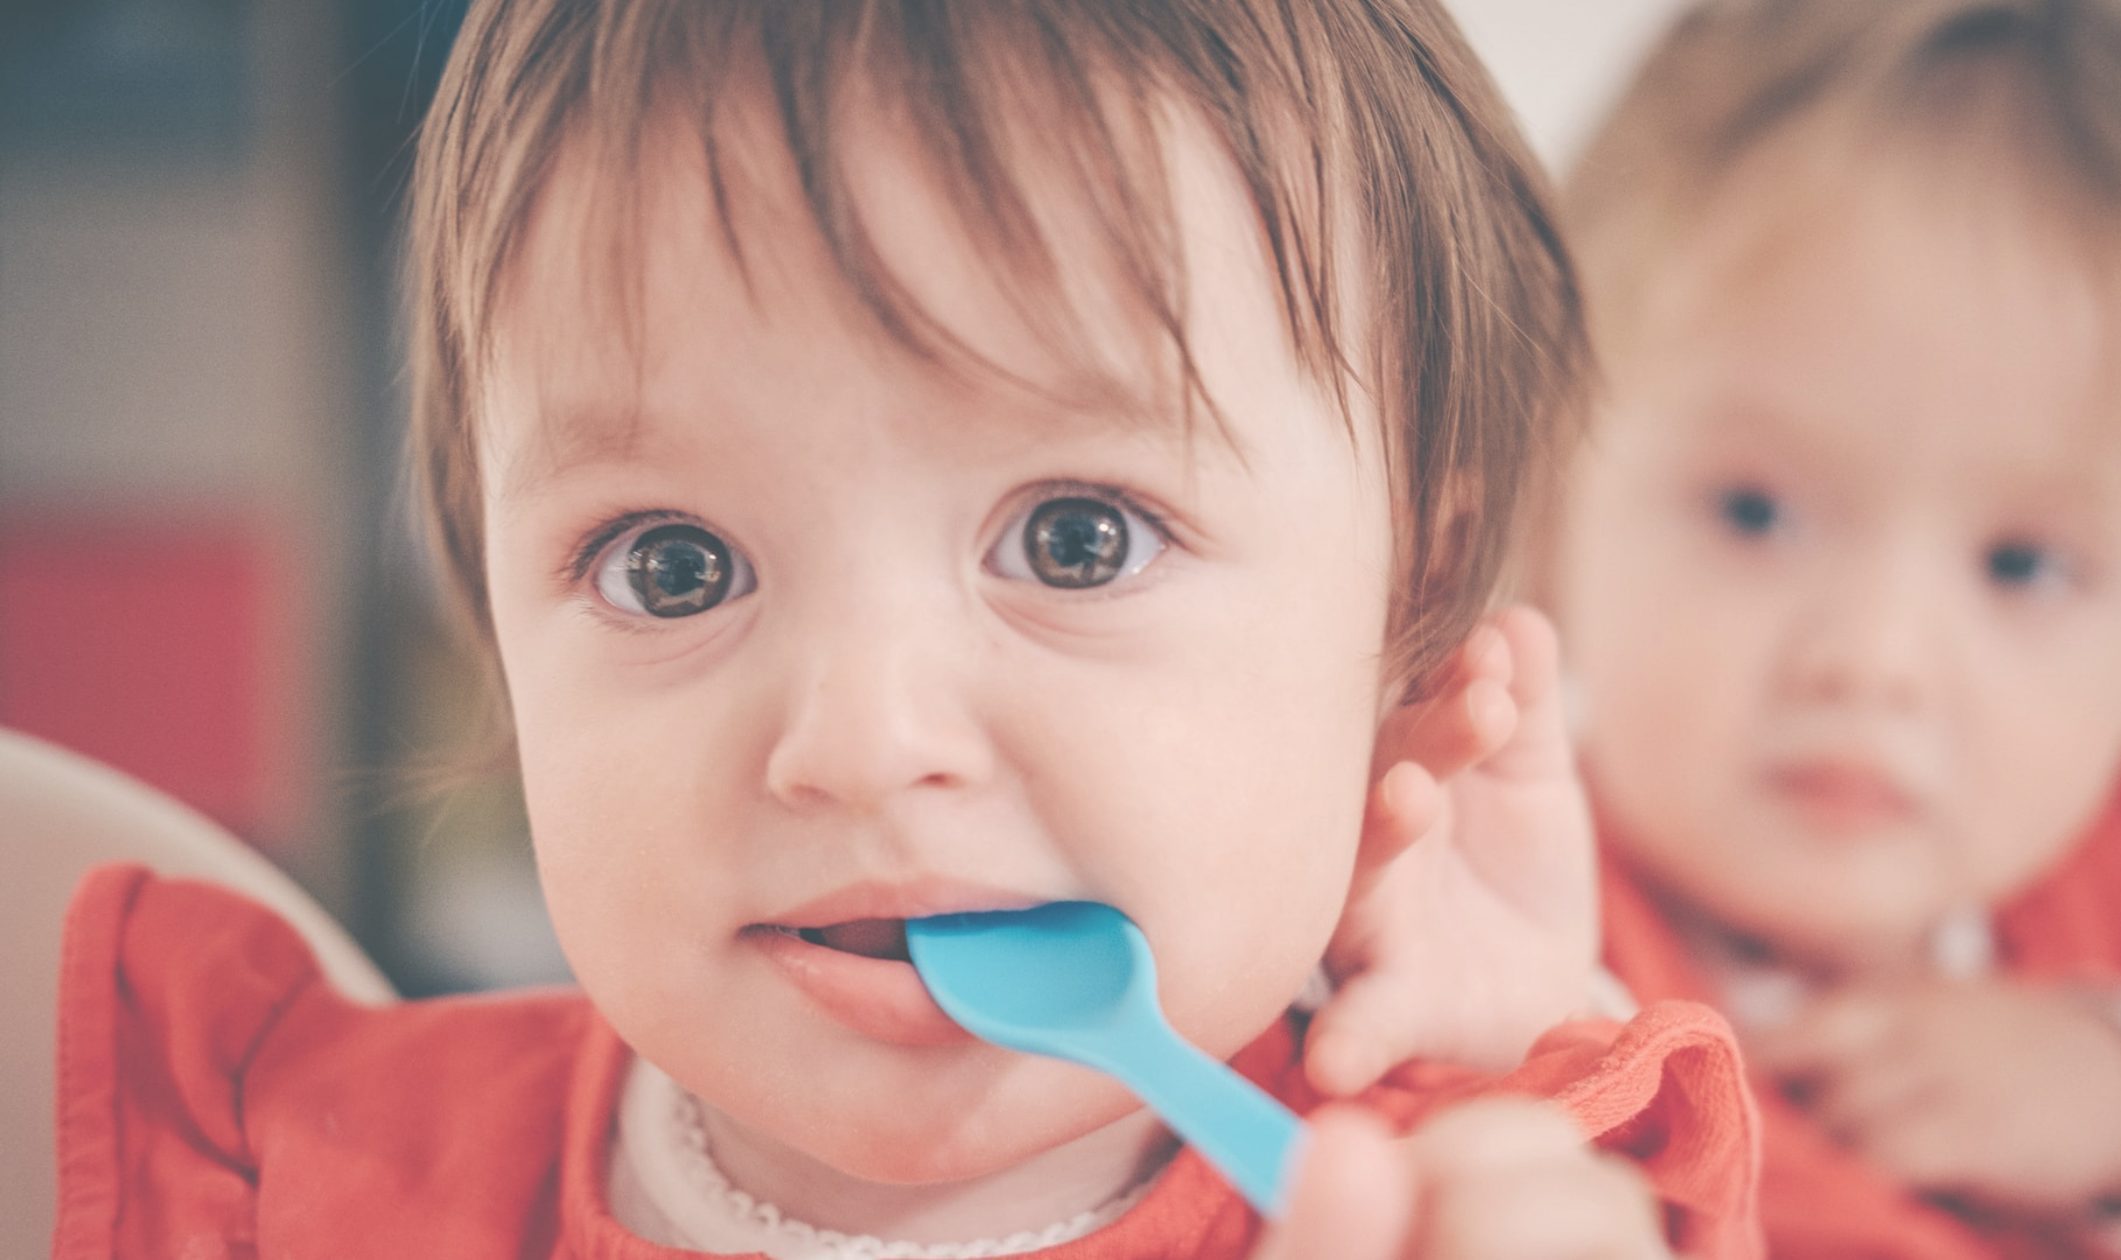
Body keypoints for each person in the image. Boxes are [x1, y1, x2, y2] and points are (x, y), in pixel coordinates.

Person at [48, 2, 1763, 1258]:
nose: (863, 742)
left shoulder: (1471, 1214)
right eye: (671, 566)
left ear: (1409, 622)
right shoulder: (294, 1171)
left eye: (1077, 542)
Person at [1543, 0, 2121, 1255]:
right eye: (1751, 511)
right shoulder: (1496, 925)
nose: (1872, 659)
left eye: (2021, 563)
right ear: (1553, 486)